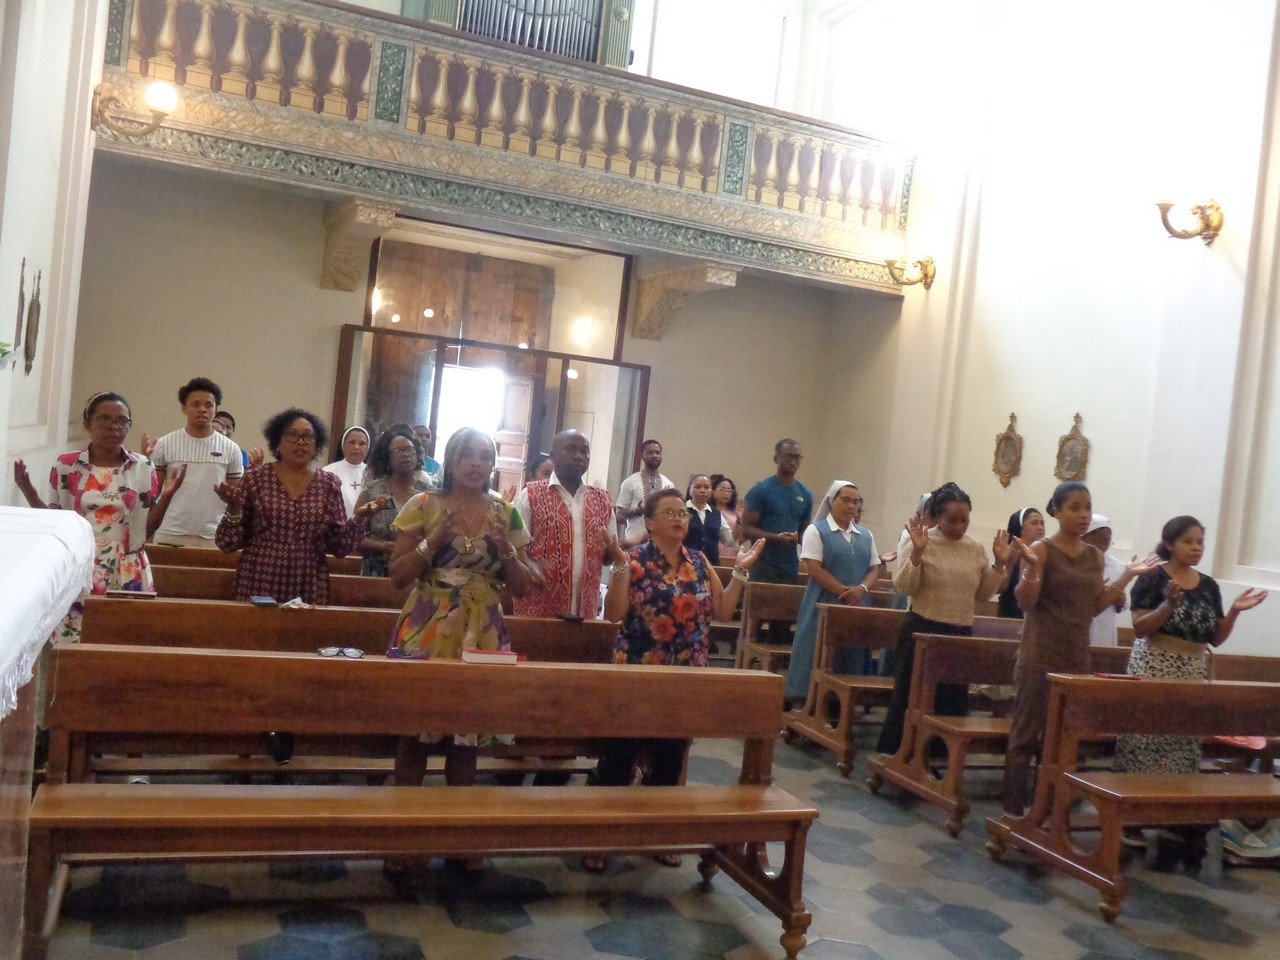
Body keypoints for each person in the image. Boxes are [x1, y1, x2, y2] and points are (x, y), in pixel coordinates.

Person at [582, 489, 764, 873]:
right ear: (649, 522)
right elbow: (614, 614)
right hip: (638, 675)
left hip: (684, 677)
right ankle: (599, 837)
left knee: (669, 760)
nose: (679, 518)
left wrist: (740, 572)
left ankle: (658, 835)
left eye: (683, 512)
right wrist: (618, 566)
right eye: (669, 512)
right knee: (619, 759)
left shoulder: (698, 561)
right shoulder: (633, 560)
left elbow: (724, 611)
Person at [999, 482, 1156, 816]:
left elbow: (1092, 607)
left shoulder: (1094, 556)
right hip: (1039, 655)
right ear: (1056, 511)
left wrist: (1126, 576)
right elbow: (1026, 602)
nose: (1083, 515)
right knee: (1024, 737)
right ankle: (1011, 814)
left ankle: (1048, 812)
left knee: (1062, 742)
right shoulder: (1041, 549)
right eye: (1075, 508)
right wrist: (1032, 568)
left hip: (1075, 658)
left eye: (1088, 508)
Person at [12, 391, 184, 638]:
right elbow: (55, 522)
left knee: (123, 639)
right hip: (80, 564)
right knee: (74, 638)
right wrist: (28, 492)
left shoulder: (142, 467)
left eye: (122, 421)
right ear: (87, 424)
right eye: (104, 419)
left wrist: (167, 495)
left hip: (128, 564)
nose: (114, 427)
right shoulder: (67, 466)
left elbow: (149, 528)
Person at [1116, 516, 1266, 774]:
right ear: (1170, 544)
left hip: (1192, 672)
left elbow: (1215, 639)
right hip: (1155, 666)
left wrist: (1234, 611)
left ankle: (1179, 794)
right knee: (1148, 739)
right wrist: (1168, 606)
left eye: (1200, 542)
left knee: (1183, 741)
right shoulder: (1153, 577)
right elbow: (1141, 629)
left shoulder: (1208, 585)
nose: (1196, 547)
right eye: (1188, 542)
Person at [876, 482, 1015, 756]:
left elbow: (983, 595)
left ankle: (938, 760)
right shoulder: (921, 540)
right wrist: (917, 554)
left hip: (959, 633)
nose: (959, 526)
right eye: (952, 520)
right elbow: (904, 586)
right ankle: (897, 754)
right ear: (938, 516)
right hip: (923, 630)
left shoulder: (975, 549)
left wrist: (1000, 564)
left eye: (965, 520)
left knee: (951, 700)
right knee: (910, 697)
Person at [214, 408, 382, 603]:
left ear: (317, 444)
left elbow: (339, 547)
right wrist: (234, 508)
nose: (301, 442)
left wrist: (359, 518)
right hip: (259, 579)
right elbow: (227, 543)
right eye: (292, 435)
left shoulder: (328, 484)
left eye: (308, 437)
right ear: (277, 442)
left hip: (308, 583)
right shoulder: (255, 479)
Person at [784, 481, 880, 704]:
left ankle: (842, 706)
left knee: (851, 655)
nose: (851, 506)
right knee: (816, 652)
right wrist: (845, 592)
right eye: (845, 500)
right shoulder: (817, 530)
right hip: (824, 603)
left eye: (855, 501)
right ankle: (806, 702)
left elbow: (874, 568)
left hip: (857, 606)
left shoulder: (866, 535)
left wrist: (861, 589)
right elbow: (813, 568)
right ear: (831, 501)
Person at [512, 429, 614, 618]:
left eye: (584, 451)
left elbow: (609, 555)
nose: (579, 456)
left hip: (584, 615)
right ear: (553, 456)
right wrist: (531, 566)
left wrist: (619, 553)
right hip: (537, 610)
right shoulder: (530, 495)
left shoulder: (602, 500)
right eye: (571, 449)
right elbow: (513, 547)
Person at [149, 377, 244, 547]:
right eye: (196, 404)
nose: (202, 410)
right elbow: (153, 493)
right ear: (184, 408)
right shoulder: (164, 444)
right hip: (170, 532)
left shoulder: (232, 449)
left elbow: (235, 497)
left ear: (215, 409)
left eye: (208, 405)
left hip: (213, 535)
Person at [356, 426, 432, 577]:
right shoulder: (372, 491)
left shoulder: (429, 493)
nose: (405, 455)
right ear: (387, 458)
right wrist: (381, 546)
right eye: (398, 451)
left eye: (409, 449)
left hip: (419, 573)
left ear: (417, 454)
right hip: (377, 573)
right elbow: (355, 537)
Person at [740, 439, 813, 585]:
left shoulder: (805, 494)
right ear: (776, 459)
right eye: (788, 456)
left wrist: (801, 538)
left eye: (797, 457)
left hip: (789, 565)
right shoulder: (761, 490)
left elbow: (804, 533)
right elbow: (745, 530)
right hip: (762, 563)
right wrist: (776, 537)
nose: (793, 461)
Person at [615, 439, 672, 546]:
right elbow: (619, 514)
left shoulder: (668, 484)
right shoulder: (630, 482)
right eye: (650, 452)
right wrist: (636, 512)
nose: (655, 455)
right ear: (642, 456)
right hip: (634, 543)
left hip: (661, 543)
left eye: (657, 453)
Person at [1083, 514, 1125, 646]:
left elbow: (1121, 605)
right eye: (1096, 540)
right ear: (1083, 537)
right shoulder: (1073, 561)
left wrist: (1120, 599)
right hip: (1079, 624)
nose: (1101, 546)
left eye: (1106, 541)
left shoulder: (1114, 564)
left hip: (1105, 626)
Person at [997, 508, 1046, 618]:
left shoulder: (1046, 554)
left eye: (1042, 523)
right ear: (1020, 528)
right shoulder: (1006, 553)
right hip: (1010, 618)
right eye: (1034, 523)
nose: (1040, 527)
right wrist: (1009, 563)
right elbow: (997, 589)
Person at [321, 425, 371, 518]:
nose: (356, 447)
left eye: (362, 444)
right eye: (351, 442)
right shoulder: (327, 472)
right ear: (343, 446)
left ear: (368, 448)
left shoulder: (374, 473)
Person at [683, 473, 725, 565]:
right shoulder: (683, 510)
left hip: (712, 564)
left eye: (706, 487)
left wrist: (739, 521)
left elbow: (729, 540)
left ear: (711, 491)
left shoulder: (716, 513)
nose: (702, 491)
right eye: (697, 487)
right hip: (686, 563)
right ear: (690, 491)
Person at [709, 473, 742, 546]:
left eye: (729, 491)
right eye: (722, 490)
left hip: (733, 546)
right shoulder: (710, 512)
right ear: (713, 492)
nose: (726, 493)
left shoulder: (735, 511)